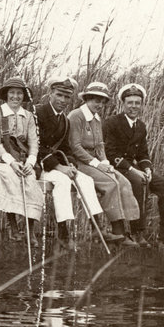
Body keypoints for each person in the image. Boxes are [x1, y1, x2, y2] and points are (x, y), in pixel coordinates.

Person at [103, 83, 164, 249]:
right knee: (138, 182)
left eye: (137, 103)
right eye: (130, 102)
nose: (133, 106)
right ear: (122, 104)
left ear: (141, 105)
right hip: (115, 167)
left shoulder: (141, 126)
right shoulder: (112, 122)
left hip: (133, 167)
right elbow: (110, 153)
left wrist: (147, 169)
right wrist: (133, 170)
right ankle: (137, 232)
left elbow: (142, 154)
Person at [34, 75, 106, 250]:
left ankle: (97, 228)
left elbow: (66, 148)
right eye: (59, 95)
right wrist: (60, 167)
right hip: (38, 165)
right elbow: (34, 146)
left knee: (86, 180)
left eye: (67, 97)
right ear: (50, 93)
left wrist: (71, 164)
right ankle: (63, 234)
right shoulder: (37, 113)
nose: (63, 100)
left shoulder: (65, 121)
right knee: (63, 181)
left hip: (57, 166)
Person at [67, 81, 140, 247]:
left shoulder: (97, 118)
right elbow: (75, 147)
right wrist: (97, 164)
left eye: (102, 101)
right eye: (95, 100)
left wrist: (106, 163)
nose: (99, 105)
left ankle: (128, 228)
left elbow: (100, 145)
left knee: (123, 182)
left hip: (94, 162)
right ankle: (117, 230)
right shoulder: (76, 116)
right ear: (87, 99)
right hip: (79, 162)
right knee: (110, 182)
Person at [0, 77, 45, 238]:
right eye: (12, 93)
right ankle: (12, 225)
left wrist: (30, 162)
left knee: (30, 177)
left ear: (23, 96)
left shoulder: (28, 116)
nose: (15, 96)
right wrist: (11, 162)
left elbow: (34, 143)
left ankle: (29, 229)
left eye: (19, 93)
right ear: (7, 95)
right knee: (9, 175)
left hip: (20, 157)